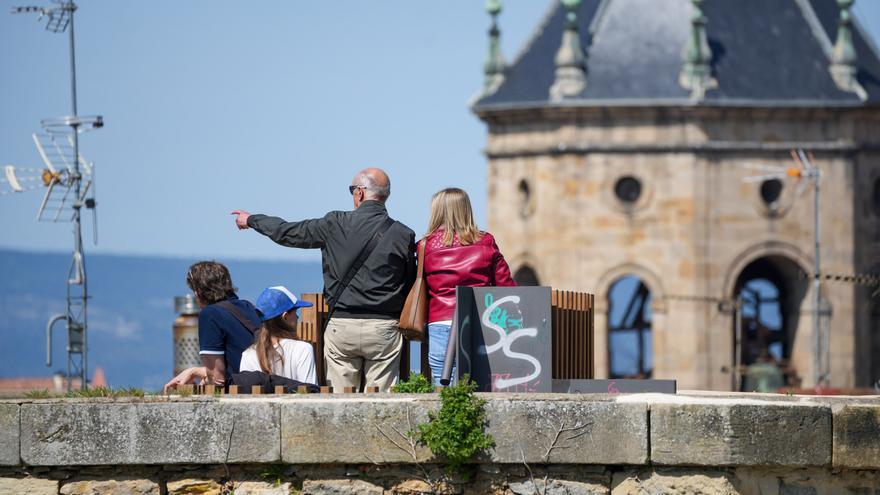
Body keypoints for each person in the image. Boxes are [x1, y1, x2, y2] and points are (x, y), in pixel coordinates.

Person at [230, 168, 416, 392]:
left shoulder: (334, 224)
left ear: (360, 193)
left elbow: (289, 232)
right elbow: (409, 281)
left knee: (340, 401)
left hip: (342, 326)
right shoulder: (403, 234)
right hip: (383, 328)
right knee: (382, 401)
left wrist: (252, 220)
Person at [422, 188, 516, 386]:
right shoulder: (486, 241)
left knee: (443, 387)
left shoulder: (425, 246)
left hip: (440, 323)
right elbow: (506, 286)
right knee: (480, 384)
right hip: (480, 322)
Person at [163, 261, 260, 393]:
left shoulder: (210, 314)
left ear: (198, 292)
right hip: (264, 384)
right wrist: (196, 371)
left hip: (241, 393)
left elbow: (217, 378)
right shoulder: (248, 307)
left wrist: (204, 379)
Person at [239, 286, 317, 385]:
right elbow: (310, 392)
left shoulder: (248, 355)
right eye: (295, 312)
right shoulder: (303, 349)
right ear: (285, 317)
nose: (297, 317)